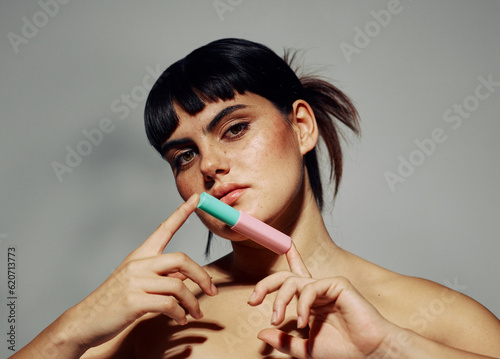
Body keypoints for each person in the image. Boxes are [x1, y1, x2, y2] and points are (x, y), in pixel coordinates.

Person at [11, 38, 500, 358]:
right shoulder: (155, 322)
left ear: (301, 126)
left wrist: (389, 349)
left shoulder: (441, 318)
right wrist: (75, 326)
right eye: (183, 156)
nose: (208, 166)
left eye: (235, 129)